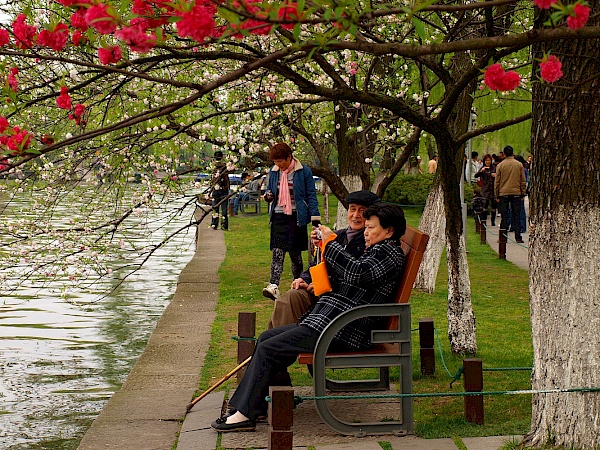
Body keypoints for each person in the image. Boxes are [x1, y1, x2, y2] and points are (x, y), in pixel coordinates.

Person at [211, 203, 407, 432]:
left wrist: (330, 243)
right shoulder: (377, 249)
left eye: (371, 227)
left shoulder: (389, 254)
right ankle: (249, 408)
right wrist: (323, 253)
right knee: (266, 339)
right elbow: (349, 274)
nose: (365, 231)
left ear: (389, 231)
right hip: (331, 322)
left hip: (344, 329)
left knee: (270, 348)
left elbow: (357, 273)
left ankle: (245, 414)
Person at [267, 190, 380, 329]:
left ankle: (277, 347)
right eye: (352, 209)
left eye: (362, 211)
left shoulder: (369, 242)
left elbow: (353, 275)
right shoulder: (339, 235)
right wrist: (305, 279)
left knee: (291, 300)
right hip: (321, 294)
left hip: (339, 303)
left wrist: (324, 284)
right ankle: (274, 346)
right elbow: (317, 263)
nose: (356, 215)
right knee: (290, 298)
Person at [262, 142, 320, 300]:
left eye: (281, 161)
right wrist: (268, 196)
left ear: (289, 157)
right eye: (275, 161)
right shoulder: (274, 172)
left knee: (295, 254)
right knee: (277, 250)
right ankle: (273, 285)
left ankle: (298, 283)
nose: (278, 164)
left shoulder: (303, 172)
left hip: (296, 217)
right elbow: (270, 190)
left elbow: (311, 195)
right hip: (279, 215)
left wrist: (315, 219)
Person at [494, 145, 527, 243]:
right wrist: (523, 193)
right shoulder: (519, 165)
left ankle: (503, 237)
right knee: (516, 215)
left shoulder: (500, 165)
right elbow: (522, 180)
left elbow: (497, 182)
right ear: (513, 153)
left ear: (504, 154)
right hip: (516, 192)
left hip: (503, 193)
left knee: (504, 215)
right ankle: (518, 237)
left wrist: (497, 195)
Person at [474, 154, 497, 226]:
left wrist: (495, 175)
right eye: (486, 160)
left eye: (489, 160)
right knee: (485, 205)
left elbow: (498, 176)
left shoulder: (494, 168)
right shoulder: (483, 168)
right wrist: (481, 171)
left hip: (493, 188)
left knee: (493, 206)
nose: (488, 162)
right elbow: (476, 175)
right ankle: (484, 221)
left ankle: (493, 221)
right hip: (485, 189)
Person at [210, 150, 230, 231]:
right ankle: (224, 225)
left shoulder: (213, 166)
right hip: (223, 189)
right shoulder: (224, 166)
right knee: (224, 208)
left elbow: (212, 179)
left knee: (215, 208)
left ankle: (214, 224)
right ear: (222, 157)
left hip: (216, 189)